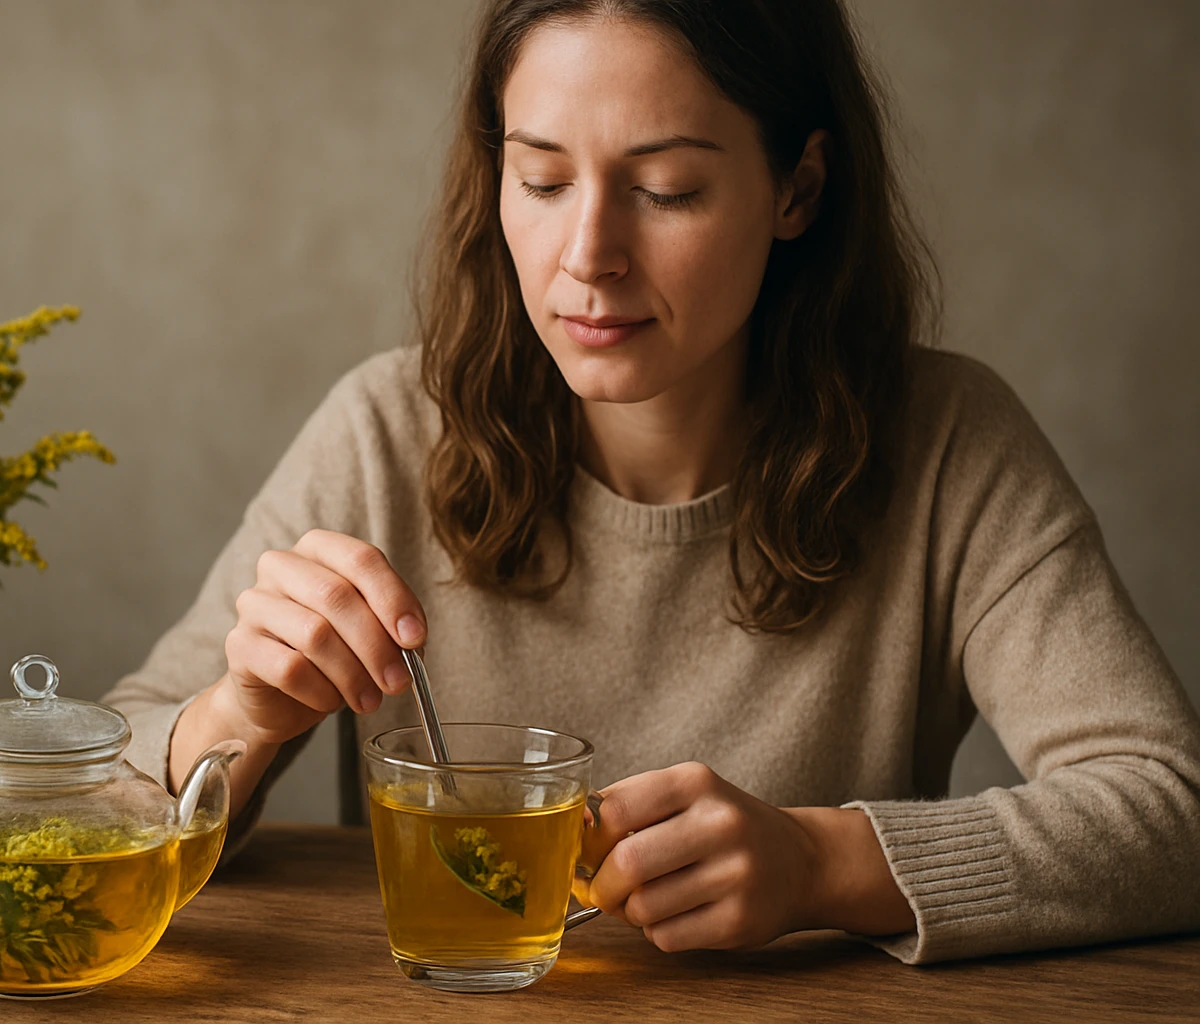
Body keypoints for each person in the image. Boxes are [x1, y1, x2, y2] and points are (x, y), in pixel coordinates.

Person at [103, 0, 1200, 964]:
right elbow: (102, 788)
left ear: (798, 187)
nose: (588, 254)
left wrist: (823, 863)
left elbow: (1173, 810)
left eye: (666, 190)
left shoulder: (950, 444)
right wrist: (239, 715)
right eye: (541, 179)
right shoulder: (385, 431)